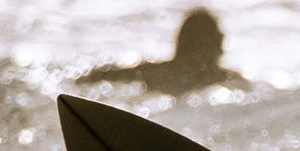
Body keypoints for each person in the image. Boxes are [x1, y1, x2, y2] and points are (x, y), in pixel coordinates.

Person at [77, 8, 249, 95]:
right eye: (217, 42)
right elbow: (100, 77)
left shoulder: (156, 72)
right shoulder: (226, 80)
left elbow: (97, 76)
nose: (221, 50)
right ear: (200, 45)